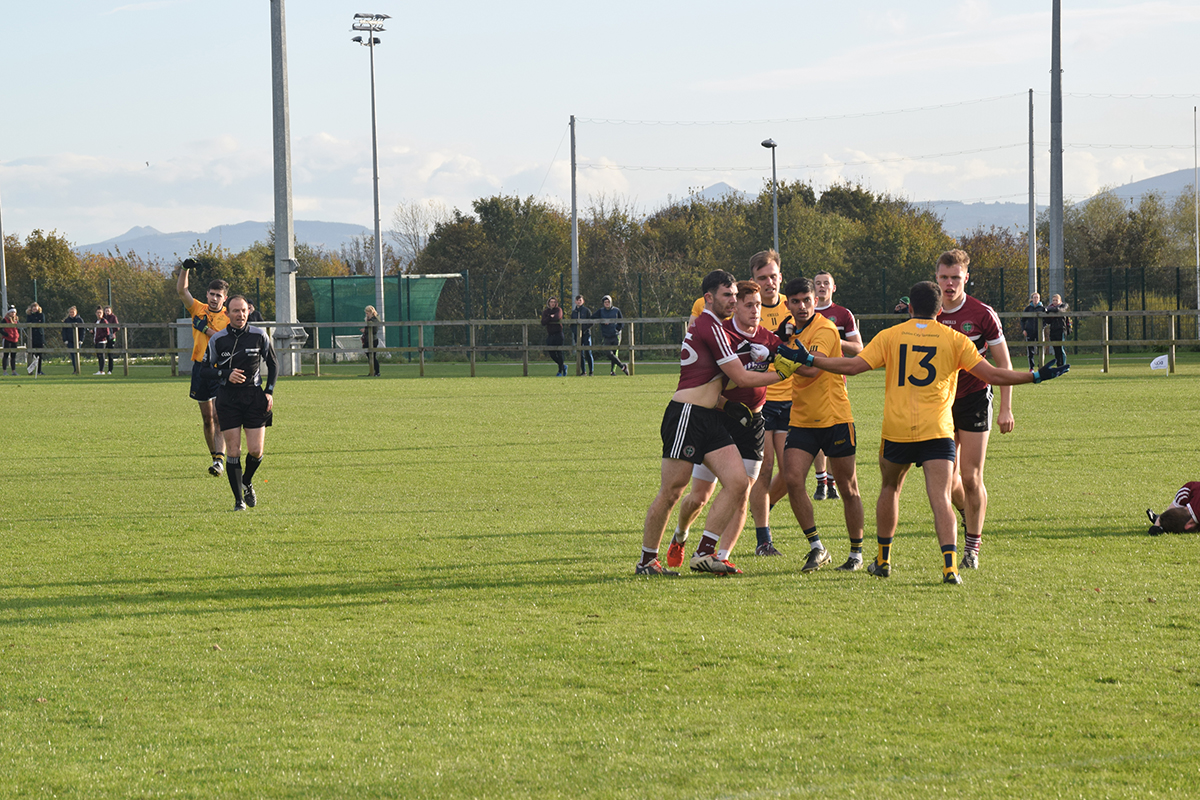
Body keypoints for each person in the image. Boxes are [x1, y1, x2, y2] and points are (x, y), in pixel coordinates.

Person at [775, 280, 1069, 584]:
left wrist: (809, 359)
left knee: (890, 489)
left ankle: (883, 560)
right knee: (941, 497)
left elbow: (852, 367)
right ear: (940, 310)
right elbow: (992, 374)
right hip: (937, 429)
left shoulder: (890, 336)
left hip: (897, 429)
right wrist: (1035, 375)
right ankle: (950, 567)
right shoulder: (955, 339)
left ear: (910, 308)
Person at [636, 270, 786, 576]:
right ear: (709, 298)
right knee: (673, 491)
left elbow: (744, 349)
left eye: (734, 295)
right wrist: (784, 373)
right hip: (687, 415)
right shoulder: (709, 325)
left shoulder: (716, 327)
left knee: (738, 483)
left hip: (710, 417)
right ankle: (647, 561)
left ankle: (706, 552)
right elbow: (740, 377)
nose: (733, 301)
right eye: (726, 295)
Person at [777, 277, 866, 573]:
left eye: (806, 300)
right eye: (795, 301)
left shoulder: (825, 328)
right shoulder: (791, 330)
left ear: (816, 300)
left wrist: (779, 353)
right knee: (791, 478)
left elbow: (811, 371)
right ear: (787, 303)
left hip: (834, 418)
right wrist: (780, 343)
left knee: (848, 487)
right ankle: (817, 547)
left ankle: (856, 553)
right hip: (802, 419)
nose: (801, 306)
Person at [935, 249, 1013, 571]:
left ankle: (972, 548)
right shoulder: (928, 312)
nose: (949, 284)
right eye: (944, 277)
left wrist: (1006, 408)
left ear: (966, 277)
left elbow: (1004, 364)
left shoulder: (982, 313)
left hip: (976, 398)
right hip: (940, 403)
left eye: (955, 277)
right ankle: (970, 514)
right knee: (946, 480)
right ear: (936, 278)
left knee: (970, 476)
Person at [201, 296, 276, 511]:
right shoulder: (218, 339)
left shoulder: (259, 335)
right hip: (228, 400)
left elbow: (273, 364)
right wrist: (225, 373)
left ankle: (247, 481)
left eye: (243, 311)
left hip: (254, 398)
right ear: (227, 313)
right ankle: (238, 501)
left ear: (248, 312)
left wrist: (269, 391)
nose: (240, 315)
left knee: (255, 451)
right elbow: (204, 370)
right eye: (235, 311)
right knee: (233, 451)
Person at [809, 271, 863, 501]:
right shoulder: (803, 313)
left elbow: (858, 348)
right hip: (807, 381)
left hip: (835, 381)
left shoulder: (842, 314)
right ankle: (821, 482)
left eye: (825, 283)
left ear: (834, 287)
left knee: (834, 429)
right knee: (814, 430)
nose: (821, 287)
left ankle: (831, 483)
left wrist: (834, 337)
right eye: (818, 283)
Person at [176, 260, 231, 477]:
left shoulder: (229, 317)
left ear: (224, 298)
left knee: (219, 416)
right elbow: (182, 290)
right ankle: (215, 458)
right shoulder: (198, 309)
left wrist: (206, 330)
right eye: (211, 294)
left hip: (220, 370)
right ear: (207, 295)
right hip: (200, 368)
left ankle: (220, 459)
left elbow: (224, 341)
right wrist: (185, 268)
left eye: (219, 295)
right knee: (207, 418)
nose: (214, 298)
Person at [596, 295, 628, 375]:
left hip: (615, 335)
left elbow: (621, 322)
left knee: (614, 352)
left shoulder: (616, 310)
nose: (607, 303)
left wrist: (617, 329)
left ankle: (612, 371)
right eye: (605, 302)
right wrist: (602, 322)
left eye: (608, 302)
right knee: (608, 353)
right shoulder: (601, 311)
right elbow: (592, 318)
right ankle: (622, 366)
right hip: (606, 335)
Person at [540, 297, 566, 377]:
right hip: (550, 335)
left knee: (559, 352)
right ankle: (563, 366)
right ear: (548, 303)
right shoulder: (546, 311)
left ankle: (560, 371)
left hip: (558, 334)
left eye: (554, 302)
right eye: (551, 302)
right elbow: (543, 322)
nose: (553, 303)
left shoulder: (559, 310)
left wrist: (551, 317)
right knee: (551, 352)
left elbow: (557, 317)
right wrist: (549, 317)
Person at [1044, 293, 1070, 369]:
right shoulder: (1050, 308)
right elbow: (1048, 320)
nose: (1055, 302)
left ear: (1060, 300)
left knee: (1061, 347)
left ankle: (1063, 365)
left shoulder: (1063, 306)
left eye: (1056, 300)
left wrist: (1049, 310)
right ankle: (1059, 365)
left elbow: (1058, 310)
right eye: (1053, 300)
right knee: (1055, 348)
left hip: (1061, 329)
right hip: (1053, 329)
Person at [1021, 292, 1045, 370]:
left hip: (1039, 332)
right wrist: (1024, 329)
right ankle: (1031, 367)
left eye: (1037, 298)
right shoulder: (1028, 308)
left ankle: (1040, 366)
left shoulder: (1042, 308)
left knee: (1040, 349)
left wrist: (1042, 327)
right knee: (1030, 350)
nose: (1036, 299)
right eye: (1034, 298)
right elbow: (1022, 320)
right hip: (1030, 331)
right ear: (1032, 299)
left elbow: (1046, 320)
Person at [570, 295, 594, 376]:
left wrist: (583, 329)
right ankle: (583, 371)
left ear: (583, 301)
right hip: (577, 336)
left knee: (588, 352)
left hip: (586, 334)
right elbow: (571, 325)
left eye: (580, 300)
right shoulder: (574, 313)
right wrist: (576, 332)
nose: (578, 301)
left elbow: (591, 322)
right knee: (580, 353)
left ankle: (591, 371)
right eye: (577, 300)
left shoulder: (586, 311)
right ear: (575, 301)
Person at [62, 306, 85, 374]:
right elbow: (64, 331)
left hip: (78, 341)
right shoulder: (66, 320)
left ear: (76, 312)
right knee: (72, 355)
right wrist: (65, 339)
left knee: (77, 355)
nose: (72, 313)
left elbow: (82, 331)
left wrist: (81, 339)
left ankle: (77, 369)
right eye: (70, 312)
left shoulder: (80, 320)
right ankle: (75, 369)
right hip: (70, 340)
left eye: (73, 312)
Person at [361, 305, 382, 377]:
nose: (366, 314)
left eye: (367, 313)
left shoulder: (375, 319)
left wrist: (365, 330)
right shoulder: (370, 319)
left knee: (373, 357)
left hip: (373, 340)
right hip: (367, 339)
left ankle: (377, 372)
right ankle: (372, 371)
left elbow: (374, 330)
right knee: (370, 357)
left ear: (371, 312)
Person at [25, 302, 46, 375]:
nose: (35, 309)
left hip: (40, 336)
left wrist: (36, 323)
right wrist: (36, 322)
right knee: (31, 354)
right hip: (32, 337)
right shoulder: (29, 315)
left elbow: (42, 323)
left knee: (39, 355)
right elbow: (28, 323)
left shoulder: (41, 315)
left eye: (36, 308)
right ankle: (30, 370)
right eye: (33, 308)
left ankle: (39, 370)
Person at [91, 307, 111, 375]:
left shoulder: (104, 321)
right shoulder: (96, 322)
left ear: (102, 313)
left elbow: (107, 332)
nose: (99, 314)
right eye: (97, 312)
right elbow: (96, 331)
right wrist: (93, 332)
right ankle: (100, 370)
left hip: (102, 341)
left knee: (101, 356)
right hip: (96, 341)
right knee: (98, 356)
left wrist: (100, 336)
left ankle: (102, 371)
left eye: (100, 313)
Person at [101, 306, 119, 374]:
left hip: (112, 338)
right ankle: (101, 369)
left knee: (110, 354)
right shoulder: (103, 318)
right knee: (101, 353)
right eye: (106, 311)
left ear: (111, 311)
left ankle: (110, 370)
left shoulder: (113, 317)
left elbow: (117, 327)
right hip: (103, 338)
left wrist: (110, 332)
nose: (107, 312)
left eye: (108, 311)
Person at [1, 308, 19, 375]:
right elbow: (1, 329)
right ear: (9, 313)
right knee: (6, 355)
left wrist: (17, 335)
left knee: (13, 356)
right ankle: (4, 371)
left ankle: (13, 371)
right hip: (7, 339)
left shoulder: (16, 320)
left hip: (14, 339)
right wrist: (6, 334)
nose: (13, 314)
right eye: (12, 312)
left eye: (14, 312)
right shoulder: (4, 320)